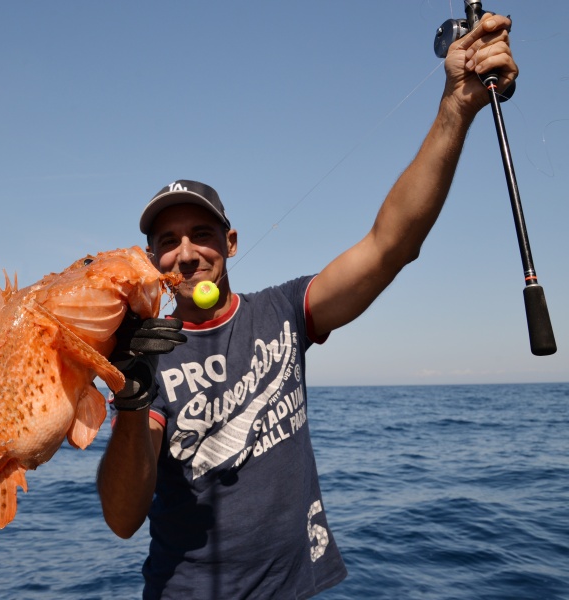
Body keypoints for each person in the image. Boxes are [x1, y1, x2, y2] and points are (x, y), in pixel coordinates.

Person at [97, 13, 518, 599]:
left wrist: (457, 106)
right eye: (167, 242)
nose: (186, 254)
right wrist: (132, 400)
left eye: (201, 234)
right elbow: (122, 519)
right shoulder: (144, 356)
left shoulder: (285, 312)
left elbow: (391, 244)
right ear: (151, 259)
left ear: (231, 243)